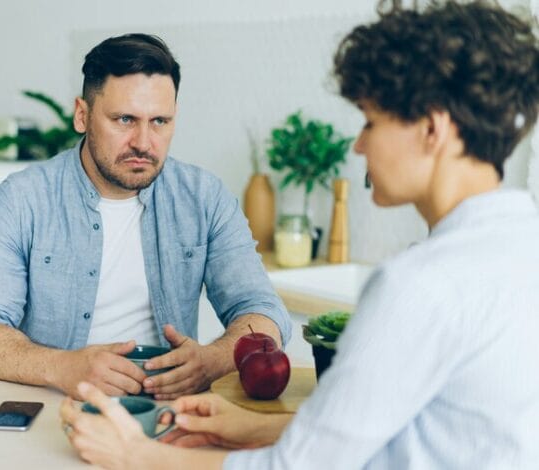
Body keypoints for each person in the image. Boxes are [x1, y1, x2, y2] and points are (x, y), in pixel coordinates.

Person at [60, 1, 539, 468]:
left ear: (432, 130)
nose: (360, 143)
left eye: (371, 121)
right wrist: (254, 427)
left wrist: (137, 455)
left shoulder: (421, 285)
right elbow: (413, 429)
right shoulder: (522, 245)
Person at [0, 33, 292, 400]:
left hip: (167, 413)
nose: (144, 142)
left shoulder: (204, 197)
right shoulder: (20, 200)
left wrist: (214, 360)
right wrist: (64, 367)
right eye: (125, 119)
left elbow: (264, 312)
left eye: (160, 121)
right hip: (56, 405)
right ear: (82, 115)